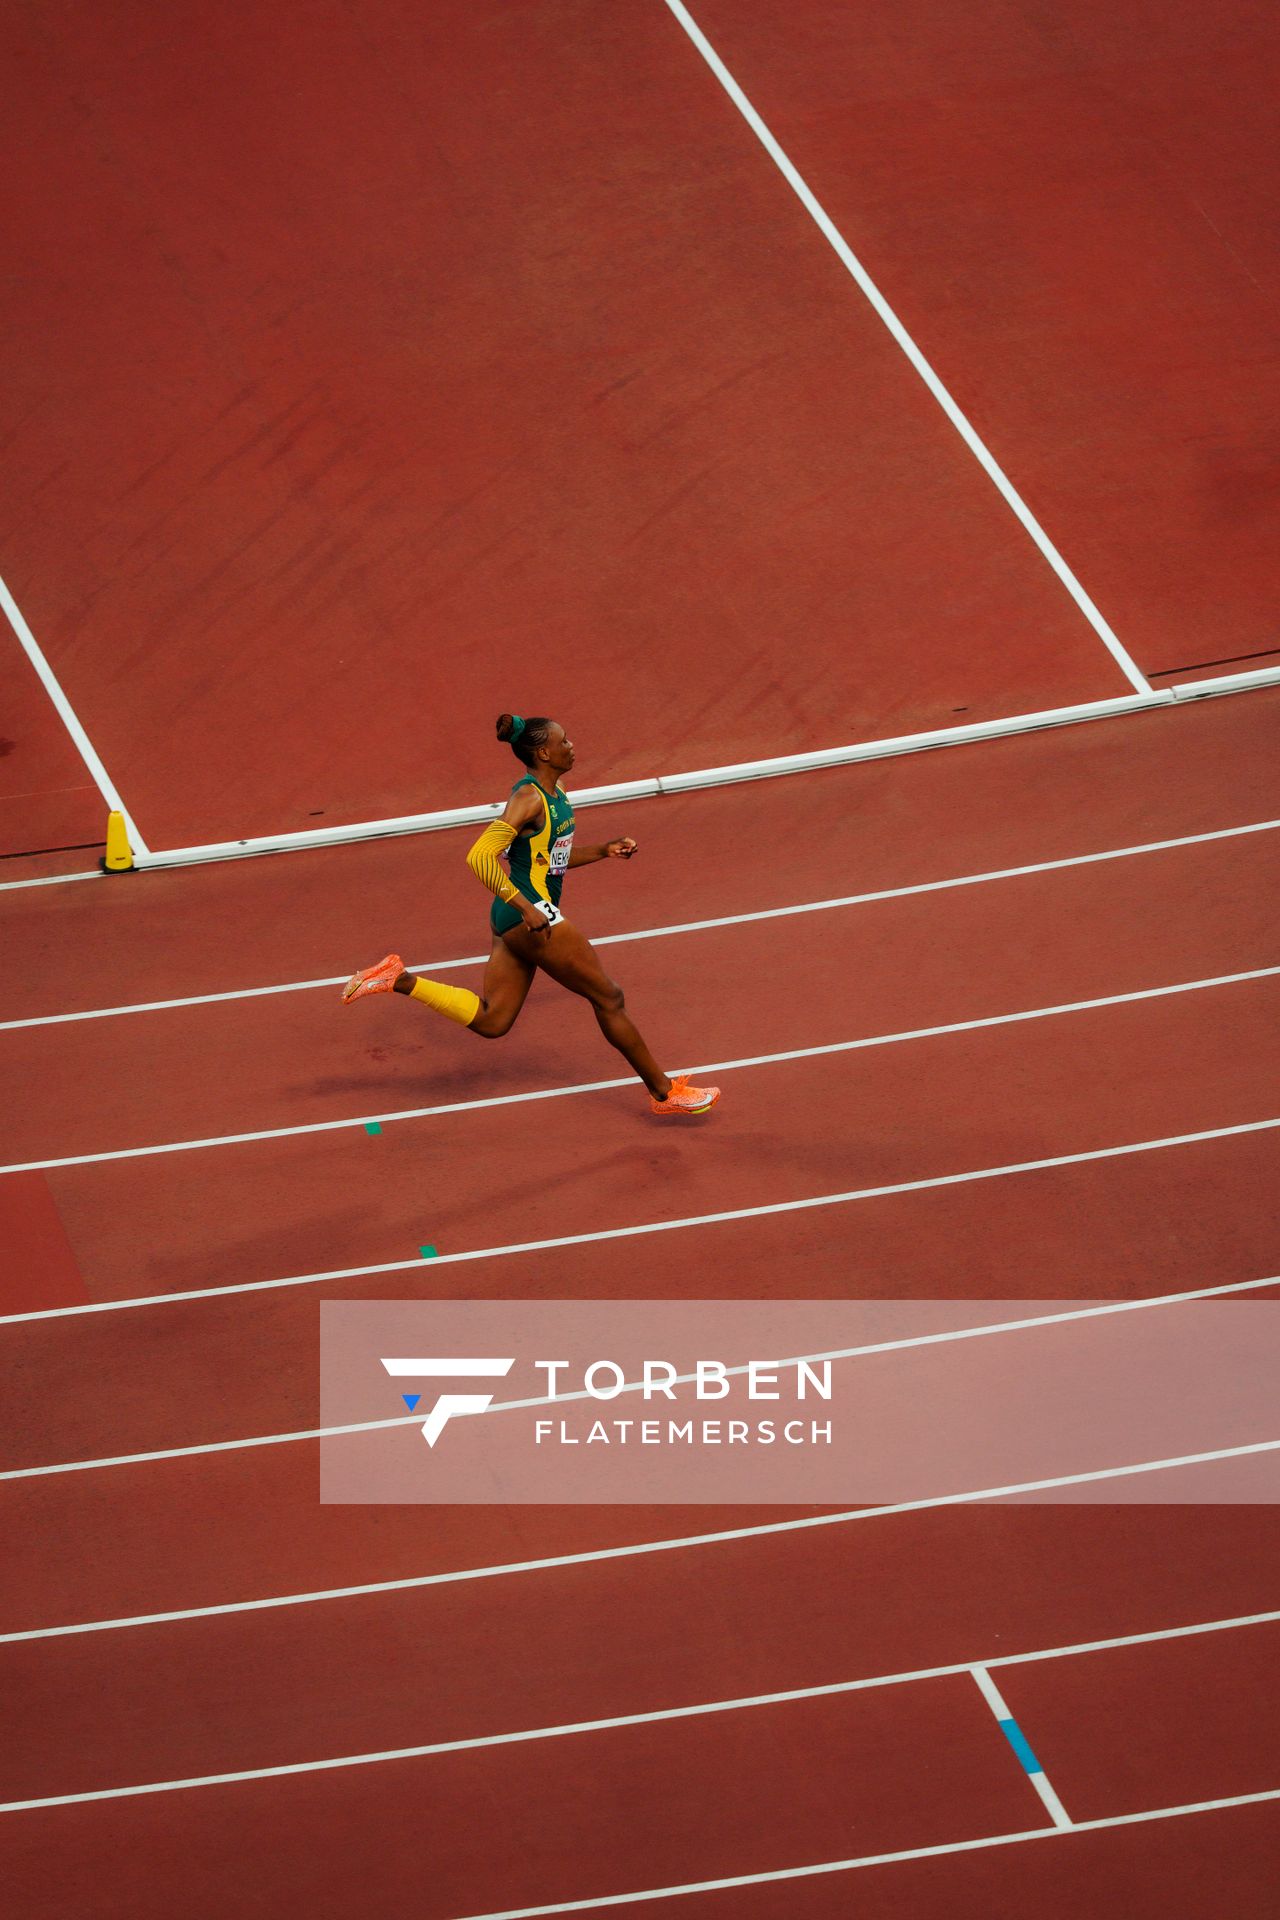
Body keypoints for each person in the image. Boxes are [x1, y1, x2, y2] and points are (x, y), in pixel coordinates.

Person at [342, 714, 720, 1116]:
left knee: (493, 1021)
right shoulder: (528, 798)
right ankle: (664, 1093)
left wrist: (604, 850)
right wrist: (526, 907)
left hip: (514, 916)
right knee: (609, 996)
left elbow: (549, 860)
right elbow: (478, 856)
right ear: (544, 752)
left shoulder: (554, 794)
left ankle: (398, 979)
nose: (571, 745)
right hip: (528, 912)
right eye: (564, 741)